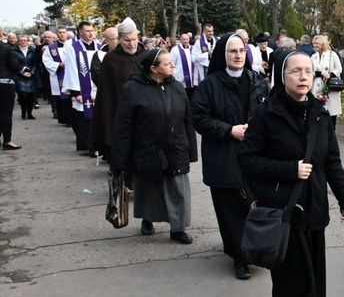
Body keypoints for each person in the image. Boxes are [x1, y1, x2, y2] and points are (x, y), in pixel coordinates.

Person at [237, 50, 344, 297]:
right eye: (295, 72)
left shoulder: (319, 113)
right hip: (284, 212)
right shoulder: (266, 114)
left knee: (312, 278)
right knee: (294, 282)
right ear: (281, 76)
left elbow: (331, 161)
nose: (303, 77)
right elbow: (246, 158)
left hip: (314, 212)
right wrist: (288, 169)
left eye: (308, 71)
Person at [191, 33, 265, 280]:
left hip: (253, 155)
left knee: (253, 205)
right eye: (232, 51)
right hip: (223, 155)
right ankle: (239, 257)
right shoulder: (210, 85)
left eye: (241, 51)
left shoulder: (256, 80)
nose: (238, 55)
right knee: (230, 209)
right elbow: (199, 119)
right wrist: (229, 130)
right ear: (223, 55)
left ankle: (255, 250)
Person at [110, 48, 197, 244]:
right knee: (149, 189)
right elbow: (123, 125)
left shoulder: (177, 86)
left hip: (176, 148)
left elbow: (187, 120)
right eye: (167, 64)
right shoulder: (132, 88)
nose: (173, 66)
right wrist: (119, 159)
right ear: (153, 68)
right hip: (146, 150)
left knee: (178, 191)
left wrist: (191, 149)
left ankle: (178, 228)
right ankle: (147, 219)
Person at [91, 17, 146, 162]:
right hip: (120, 109)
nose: (132, 43)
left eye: (134, 39)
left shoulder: (146, 55)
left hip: (145, 110)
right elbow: (106, 92)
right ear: (119, 39)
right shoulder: (111, 59)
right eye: (127, 40)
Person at [62, 21, 102, 156]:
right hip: (82, 88)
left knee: (98, 117)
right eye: (87, 31)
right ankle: (89, 145)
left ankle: (99, 144)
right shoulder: (74, 48)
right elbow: (71, 70)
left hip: (97, 87)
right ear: (80, 32)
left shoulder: (100, 47)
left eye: (92, 30)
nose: (91, 33)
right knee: (85, 118)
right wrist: (76, 92)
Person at [311, 34, 343, 127]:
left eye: (317, 43)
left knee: (331, 111)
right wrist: (320, 74)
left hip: (329, 86)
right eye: (314, 43)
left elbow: (339, 69)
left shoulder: (331, 55)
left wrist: (330, 74)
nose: (315, 45)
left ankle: (331, 131)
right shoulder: (313, 56)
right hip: (316, 85)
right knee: (317, 110)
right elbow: (310, 70)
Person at [43, 26, 71, 126]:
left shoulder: (74, 45)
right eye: (60, 32)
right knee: (63, 99)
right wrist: (58, 65)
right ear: (57, 34)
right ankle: (66, 119)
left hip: (72, 75)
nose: (62, 34)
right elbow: (46, 61)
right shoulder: (51, 48)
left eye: (64, 32)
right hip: (59, 74)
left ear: (67, 33)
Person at [0, 31, 21, 149]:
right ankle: (7, 140)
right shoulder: (7, 49)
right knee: (6, 113)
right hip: (5, 82)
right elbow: (15, 66)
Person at [13, 35, 38, 120]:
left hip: (31, 75)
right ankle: (23, 111)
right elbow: (14, 65)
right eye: (21, 40)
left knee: (31, 95)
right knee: (23, 95)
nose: (23, 42)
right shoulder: (14, 51)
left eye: (25, 40)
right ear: (18, 41)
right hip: (20, 76)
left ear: (27, 41)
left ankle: (30, 113)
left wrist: (33, 72)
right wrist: (21, 73)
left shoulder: (32, 50)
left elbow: (35, 63)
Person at [170, 33, 197, 100]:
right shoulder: (175, 49)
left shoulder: (194, 49)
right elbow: (171, 62)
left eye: (187, 39)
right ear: (180, 40)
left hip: (193, 78)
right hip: (180, 77)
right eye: (184, 39)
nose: (186, 41)